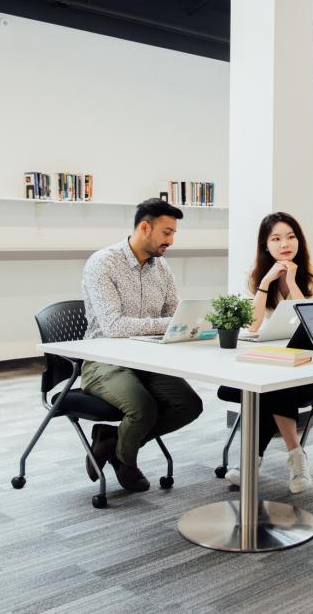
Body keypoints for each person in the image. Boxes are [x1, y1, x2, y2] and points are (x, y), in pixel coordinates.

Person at [80, 198, 203, 492]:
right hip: (103, 358)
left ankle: (114, 441)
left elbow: (175, 312)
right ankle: (127, 460)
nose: (171, 240)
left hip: (148, 357)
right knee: (142, 408)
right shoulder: (103, 263)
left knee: (189, 405)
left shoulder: (161, 267)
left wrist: (185, 323)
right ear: (145, 228)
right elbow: (113, 326)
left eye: (174, 233)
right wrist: (167, 324)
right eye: (167, 232)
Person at [223, 212, 313, 493]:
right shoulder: (256, 277)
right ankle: (296, 455)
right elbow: (253, 326)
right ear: (265, 245)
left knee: (268, 387)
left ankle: (253, 462)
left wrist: (291, 281)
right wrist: (266, 283)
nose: (285, 244)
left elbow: (310, 319)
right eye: (276, 238)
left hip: (309, 366)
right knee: (266, 383)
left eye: (291, 237)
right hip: (270, 361)